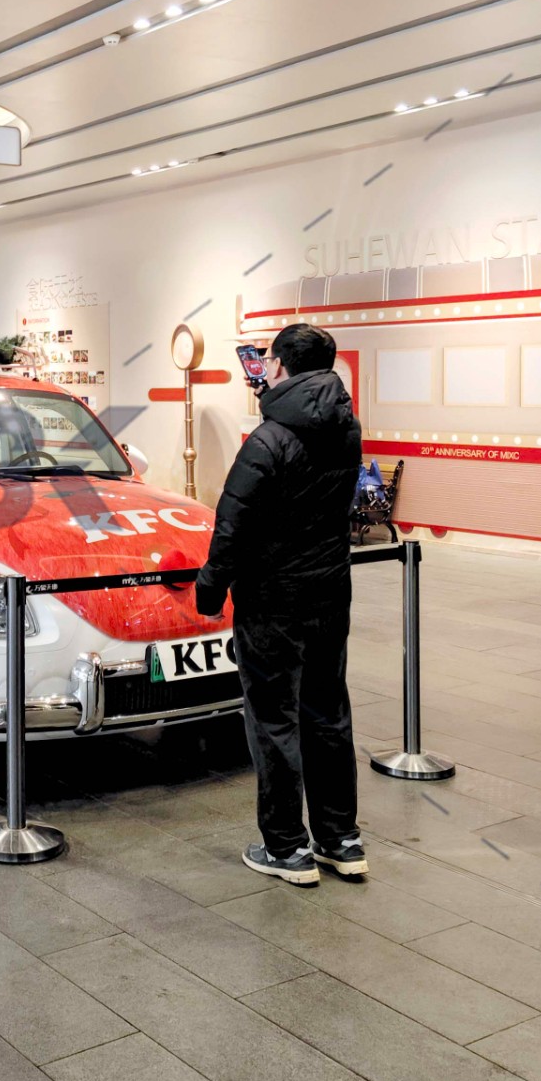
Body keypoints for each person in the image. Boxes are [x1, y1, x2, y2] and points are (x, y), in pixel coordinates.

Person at [194, 323, 365, 886]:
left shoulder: (267, 440)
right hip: (329, 593)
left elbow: (233, 523)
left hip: (272, 601)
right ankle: (341, 840)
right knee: (327, 714)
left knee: (273, 719)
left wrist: (210, 587)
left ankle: (287, 848)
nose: (263, 367)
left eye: (268, 359)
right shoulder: (347, 429)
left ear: (283, 365)